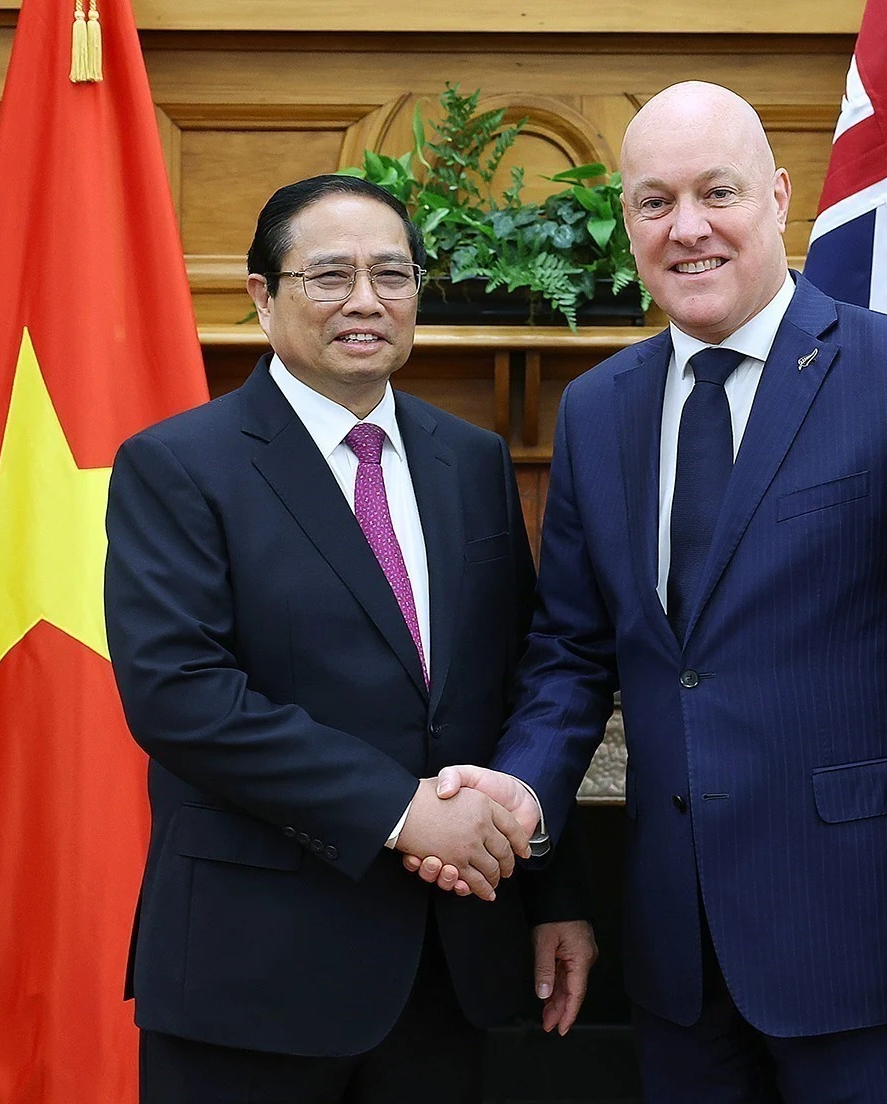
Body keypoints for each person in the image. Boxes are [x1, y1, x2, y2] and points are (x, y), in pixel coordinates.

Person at [411, 82, 887, 1102]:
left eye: (718, 192)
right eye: (654, 202)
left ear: (780, 196)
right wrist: (525, 792)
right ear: (626, 220)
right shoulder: (599, 411)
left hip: (874, 944)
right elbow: (573, 655)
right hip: (676, 953)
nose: (687, 227)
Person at [104, 173, 596, 1104]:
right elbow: (181, 694)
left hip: (453, 964)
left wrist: (552, 892)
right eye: (330, 275)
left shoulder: (472, 461)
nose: (366, 302)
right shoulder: (177, 466)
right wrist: (403, 810)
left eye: (392, 275)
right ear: (262, 296)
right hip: (253, 977)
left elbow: (516, 688)